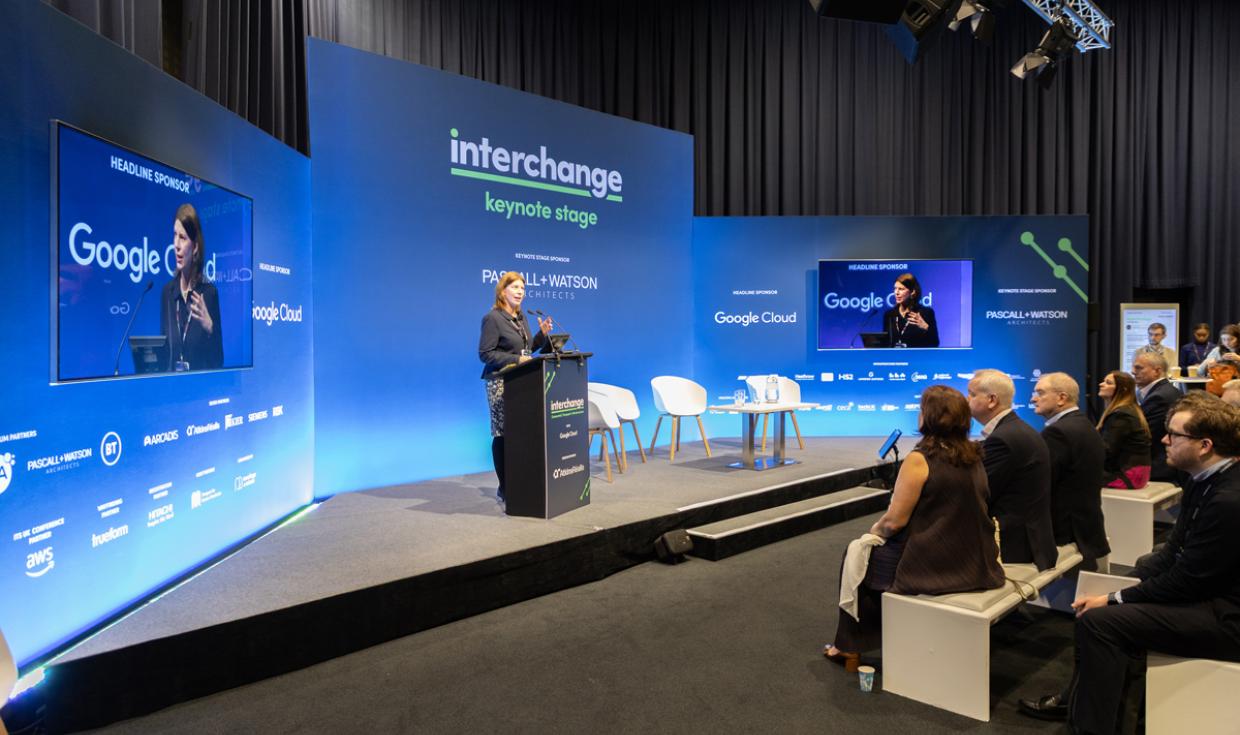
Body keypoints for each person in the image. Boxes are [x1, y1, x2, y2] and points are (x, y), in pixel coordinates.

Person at [1018, 395, 1240, 733]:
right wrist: (1120, 586)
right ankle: (1082, 701)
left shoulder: (1227, 500)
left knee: (1101, 621)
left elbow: (1188, 579)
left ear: (1205, 445)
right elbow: (1174, 549)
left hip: (1228, 616)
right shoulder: (1204, 478)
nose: (1164, 440)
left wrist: (1115, 599)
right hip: (1211, 594)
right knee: (1125, 581)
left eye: (1174, 434)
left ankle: (1091, 726)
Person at [824, 385, 1004, 668]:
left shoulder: (919, 460)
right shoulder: (974, 456)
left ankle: (848, 646)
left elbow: (894, 521)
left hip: (933, 565)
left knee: (857, 555)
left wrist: (873, 532)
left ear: (928, 417)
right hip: (977, 561)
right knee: (869, 556)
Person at [967, 369, 1057, 570]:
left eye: (972, 394)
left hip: (1013, 547)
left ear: (992, 400)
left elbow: (979, 493)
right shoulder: (1016, 429)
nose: (966, 399)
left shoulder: (1003, 439)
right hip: (1030, 539)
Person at [478, 272, 551, 504]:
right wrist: (515, 360)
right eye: (516, 287)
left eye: (523, 288)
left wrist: (542, 336)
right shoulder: (493, 318)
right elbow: (485, 354)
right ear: (503, 291)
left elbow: (526, 350)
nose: (521, 292)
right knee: (503, 434)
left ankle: (521, 481)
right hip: (500, 382)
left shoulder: (521, 319)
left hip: (523, 380)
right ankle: (505, 487)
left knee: (520, 434)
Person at [1032, 372, 1109, 570]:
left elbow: (1044, 483)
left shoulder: (1058, 432)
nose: (1033, 398)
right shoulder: (1082, 423)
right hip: (1084, 526)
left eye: (1040, 393)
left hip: (1065, 530)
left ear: (1061, 398)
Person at [159, 203, 223, 372]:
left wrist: (210, 327)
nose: (176, 245)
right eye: (175, 235)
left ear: (195, 247)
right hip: (172, 393)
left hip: (200, 393)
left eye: (183, 237)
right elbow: (164, 354)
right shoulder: (167, 293)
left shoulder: (209, 294)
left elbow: (218, 362)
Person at [1095, 370, 1152, 489]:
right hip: (1134, 473)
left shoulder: (1122, 414)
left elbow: (1106, 451)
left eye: (1108, 382)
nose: (1101, 384)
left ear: (1123, 389)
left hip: (1127, 475)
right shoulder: (1127, 410)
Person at [1132, 352, 1182, 481]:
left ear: (1157, 371)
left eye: (1139, 368)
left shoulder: (1159, 397)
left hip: (1159, 470)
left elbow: (1144, 436)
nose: (1133, 372)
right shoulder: (1164, 391)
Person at [881, 272, 939, 348]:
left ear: (912, 292)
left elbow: (935, 343)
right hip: (895, 358)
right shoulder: (890, 314)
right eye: (895, 288)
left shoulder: (926, 313)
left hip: (916, 358)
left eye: (901, 289)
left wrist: (925, 327)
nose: (896, 292)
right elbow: (885, 344)